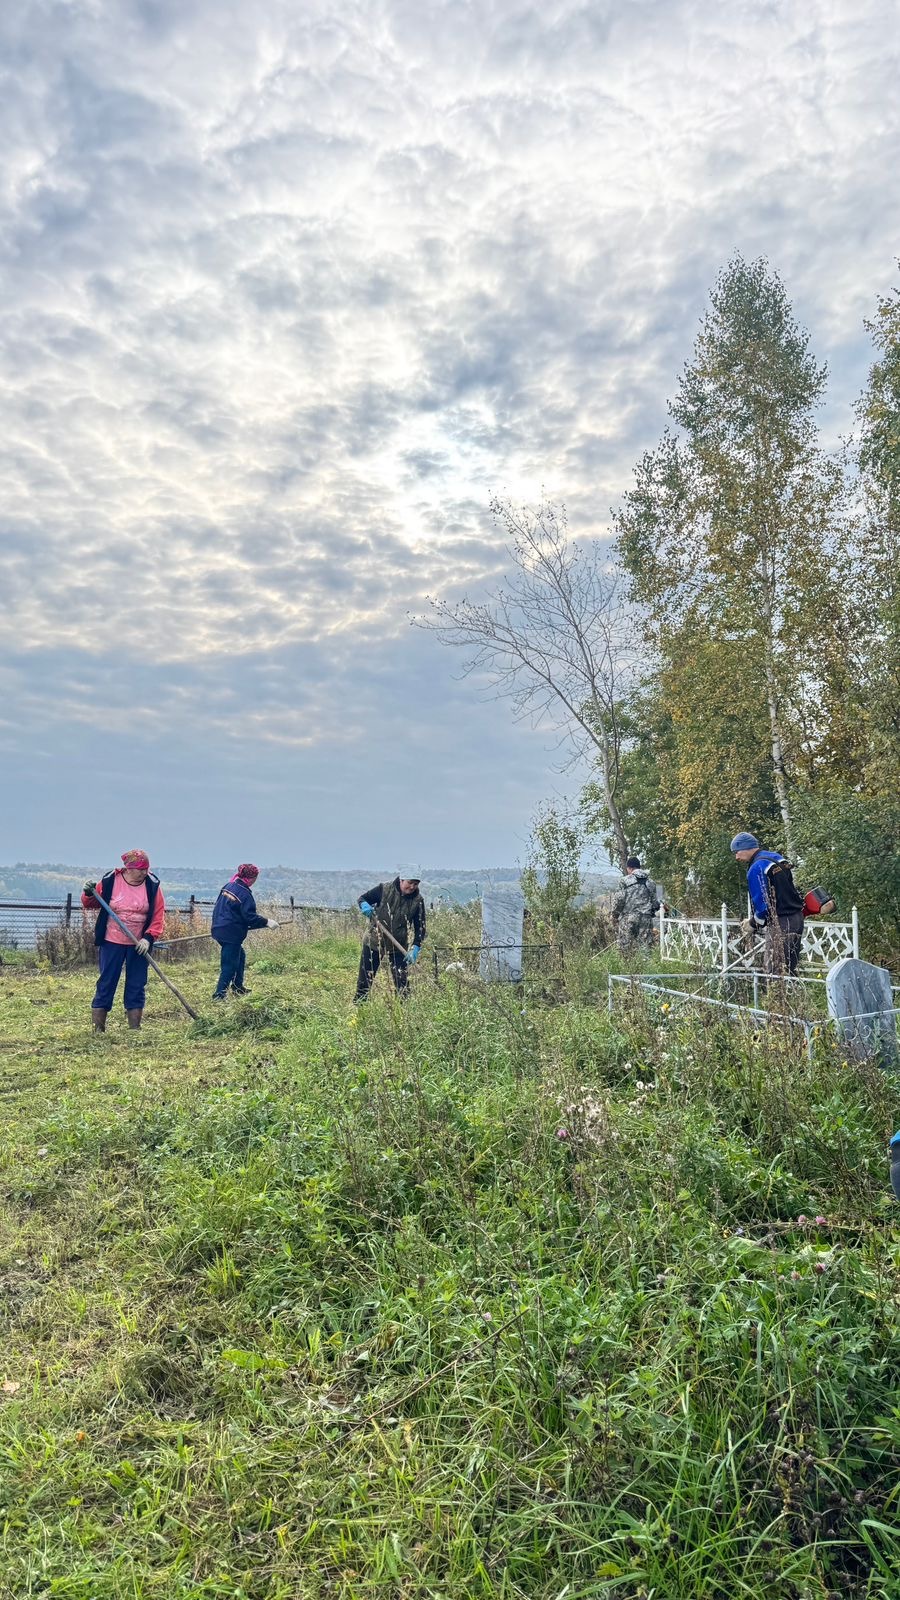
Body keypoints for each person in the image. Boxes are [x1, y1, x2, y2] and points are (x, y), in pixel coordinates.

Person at [81, 849, 165, 1031]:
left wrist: (148, 938)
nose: (144, 872)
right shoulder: (111, 881)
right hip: (112, 941)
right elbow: (91, 903)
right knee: (107, 981)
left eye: (146, 869)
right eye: (140, 869)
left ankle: (134, 1029)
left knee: (136, 983)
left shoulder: (152, 885)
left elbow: (158, 916)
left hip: (139, 945)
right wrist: (88, 893)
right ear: (128, 868)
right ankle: (98, 1029)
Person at [729, 832, 805, 976]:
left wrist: (752, 924)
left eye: (737, 852)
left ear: (746, 848)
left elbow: (763, 906)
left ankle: (776, 999)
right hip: (797, 918)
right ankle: (794, 997)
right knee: (790, 968)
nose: (737, 857)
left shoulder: (756, 868)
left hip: (780, 923)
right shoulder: (778, 859)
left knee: (774, 970)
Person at [210, 863, 278, 999]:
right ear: (252, 878)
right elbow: (250, 917)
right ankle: (219, 994)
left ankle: (237, 986)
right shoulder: (245, 894)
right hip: (230, 933)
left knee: (240, 956)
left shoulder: (229, 886)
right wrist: (267, 922)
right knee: (229, 964)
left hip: (219, 928)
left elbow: (223, 908)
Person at [355, 873, 426, 1001]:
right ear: (401, 880)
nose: (412, 887)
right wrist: (364, 906)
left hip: (398, 945)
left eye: (415, 884)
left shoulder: (418, 901)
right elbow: (362, 898)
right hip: (374, 940)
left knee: (402, 983)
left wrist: (416, 947)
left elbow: (420, 927)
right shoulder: (384, 889)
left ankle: (404, 1012)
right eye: (409, 882)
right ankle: (360, 1008)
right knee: (365, 980)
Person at [611, 857, 662, 954]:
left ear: (629, 868)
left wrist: (614, 916)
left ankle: (626, 968)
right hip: (646, 920)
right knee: (645, 950)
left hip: (628, 918)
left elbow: (619, 900)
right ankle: (644, 968)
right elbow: (655, 903)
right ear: (639, 867)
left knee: (625, 949)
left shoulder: (624, 881)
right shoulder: (651, 883)